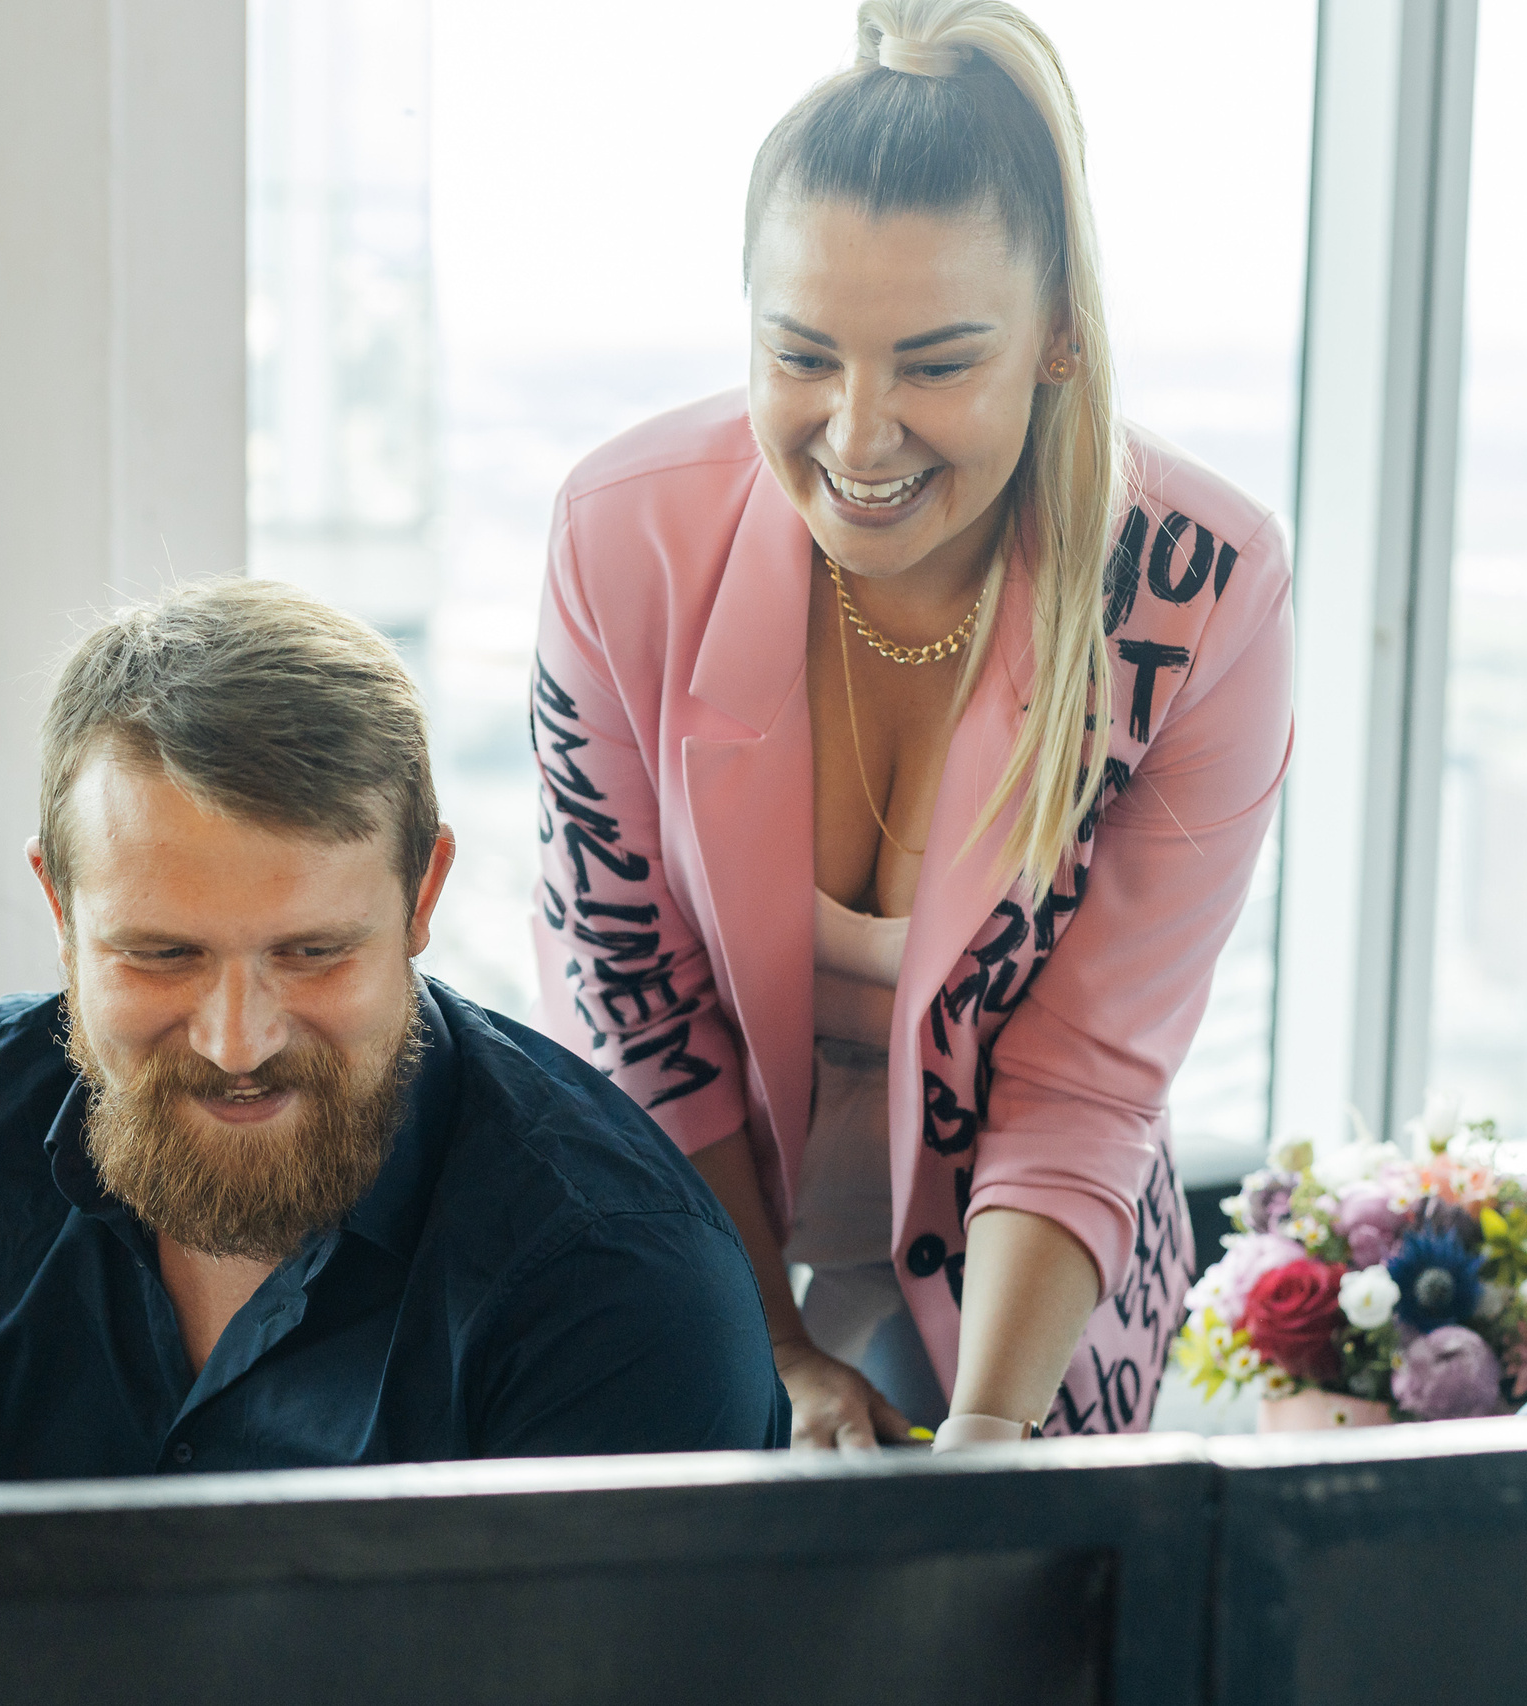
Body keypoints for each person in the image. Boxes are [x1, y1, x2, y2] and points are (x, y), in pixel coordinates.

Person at [530, 0, 1293, 1451]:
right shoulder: (619, 539)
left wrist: (993, 1431)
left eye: (938, 363)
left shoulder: (1202, 595)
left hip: (1025, 1265)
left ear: (1061, 335)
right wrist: (773, 1345)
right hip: (687, 1202)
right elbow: (639, 1002)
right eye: (801, 354)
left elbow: (1087, 1074)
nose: (859, 434)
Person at [0, 578, 784, 1490]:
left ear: (420, 895)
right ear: (60, 914)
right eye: (160, 955)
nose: (237, 1040)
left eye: (311, 953)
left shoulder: (614, 1275)